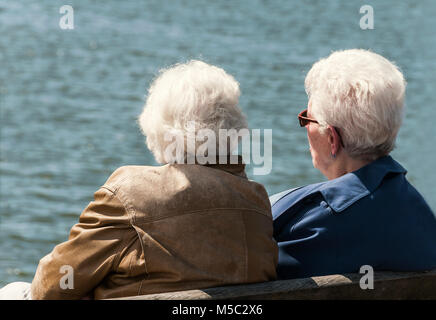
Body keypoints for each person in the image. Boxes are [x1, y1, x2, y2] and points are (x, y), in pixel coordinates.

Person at [0, 60, 277, 299]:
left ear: (159, 128)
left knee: (13, 292)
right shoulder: (255, 200)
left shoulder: (131, 192)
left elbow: (52, 286)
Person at [270, 49, 436, 280]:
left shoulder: (303, 222)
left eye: (307, 118)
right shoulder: (422, 217)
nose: (305, 127)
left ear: (332, 139)